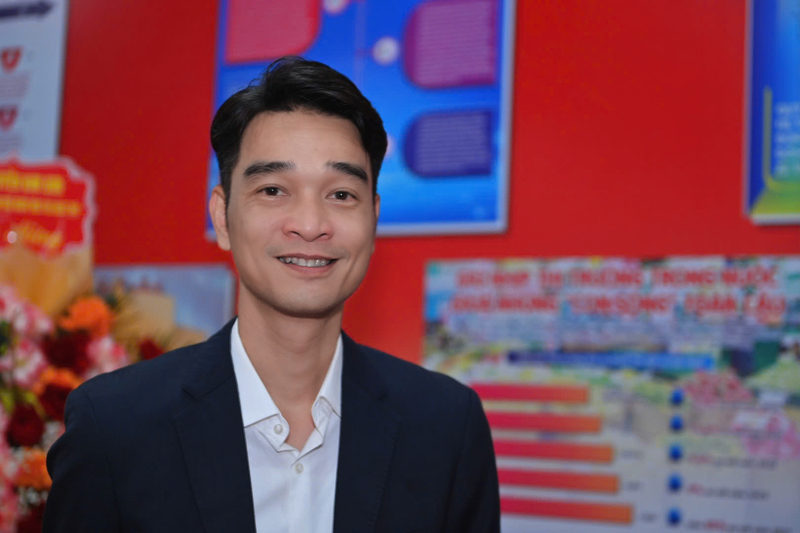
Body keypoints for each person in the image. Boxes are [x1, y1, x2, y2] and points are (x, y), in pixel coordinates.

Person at [43, 56, 500, 533]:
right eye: (274, 190)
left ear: (374, 217)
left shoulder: (447, 427)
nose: (310, 224)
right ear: (222, 216)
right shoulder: (113, 426)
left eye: (341, 194)